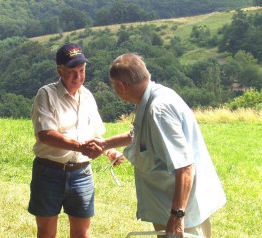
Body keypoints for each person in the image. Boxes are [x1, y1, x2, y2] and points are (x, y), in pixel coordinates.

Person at [89, 53, 226, 238]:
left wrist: (177, 215)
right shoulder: (153, 97)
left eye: (114, 86)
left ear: (121, 86)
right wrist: (106, 144)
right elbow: (140, 135)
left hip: (182, 212)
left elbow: (184, 166)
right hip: (171, 206)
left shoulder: (158, 110)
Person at [28, 43, 122, 238]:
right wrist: (80, 147)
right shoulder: (46, 94)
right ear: (60, 71)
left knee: (83, 234)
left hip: (81, 173)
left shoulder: (88, 97)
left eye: (81, 71)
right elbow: (45, 134)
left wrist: (109, 152)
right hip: (49, 172)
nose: (78, 77)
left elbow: (96, 134)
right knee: (46, 232)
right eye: (72, 72)